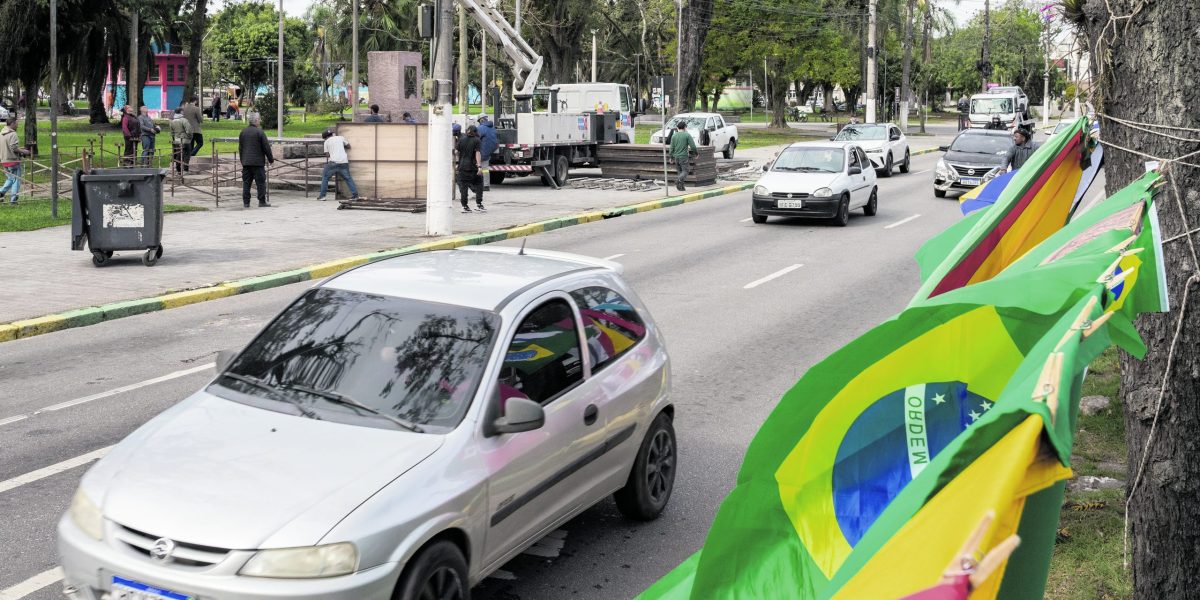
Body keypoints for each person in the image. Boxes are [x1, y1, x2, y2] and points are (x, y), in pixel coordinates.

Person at [237, 114, 275, 208]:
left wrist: (243, 160)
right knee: (260, 183)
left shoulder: (243, 132)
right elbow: (266, 147)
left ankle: (246, 202)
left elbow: (240, 148)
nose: (260, 121)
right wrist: (271, 160)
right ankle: (262, 201)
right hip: (258, 163)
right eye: (259, 119)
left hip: (246, 163)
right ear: (256, 120)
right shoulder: (260, 132)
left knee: (246, 183)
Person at [316, 128, 360, 201]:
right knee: (348, 178)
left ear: (325, 137)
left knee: (325, 177)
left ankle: (322, 196)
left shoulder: (326, 142)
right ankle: (355, 195)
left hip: (333, 162)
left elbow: (327, 155)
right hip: (344, 162)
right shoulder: (340, 138)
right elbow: (349, 146)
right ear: (332, 134)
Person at [0, 115, 31, 205]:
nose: (17, 125)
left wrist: (19, 148)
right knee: (16, 180)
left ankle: (1, 192)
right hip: (13, 161)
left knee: (10, 179)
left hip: (4, 160)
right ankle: (13, 200)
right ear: (12, 124)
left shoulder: (1, 134)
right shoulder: (13, 134)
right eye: (16, 124)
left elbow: (7, 147)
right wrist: (25, 151)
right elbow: (14, 148)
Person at [454, 124, 484, 212]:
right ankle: (479, 204)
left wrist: (458, 162)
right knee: (479, 184)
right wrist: (479, 166)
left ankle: (465, 206)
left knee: (463, 187)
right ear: (475, 132)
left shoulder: (461, 139)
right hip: (473, 167)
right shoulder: (477, 140)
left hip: (462, 167)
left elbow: (456, 152)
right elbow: (477, 153)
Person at [668, 120, 697, 191]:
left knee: (680, 172)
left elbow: (671, 148)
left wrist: (671, 157)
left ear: (677, 127)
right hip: (683, 156)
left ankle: (681, 187)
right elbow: (693, 146)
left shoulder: (674, 136)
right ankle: (678, 180)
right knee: (686, 171)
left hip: (676, 157)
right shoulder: (687, 135)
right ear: (685, 127)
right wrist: (696, 153)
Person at [169, 108, 194, 174]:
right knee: (186, 155)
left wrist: (174, 139)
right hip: (185, 141)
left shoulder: (172, 121)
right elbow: (189, 131)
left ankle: (178, 170)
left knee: (178, 155)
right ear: (181, 112)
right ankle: (185, 170)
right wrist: (190, 137)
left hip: (177, 140)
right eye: (183, 111)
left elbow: (172, 132)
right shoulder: (184, 120)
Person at [476, 115, 498, 191]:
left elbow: (475, 138)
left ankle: (480, 185)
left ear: (481, 120)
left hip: (482, 151)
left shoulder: (481, 128)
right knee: (485, 169)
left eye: (479, 121)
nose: (479, 123)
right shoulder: (492, 127)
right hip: (489, 150)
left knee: (479, 167)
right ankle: (486, 185)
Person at [182, 97, 205, 168]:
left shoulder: (184, 108)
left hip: (186, 129)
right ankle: (192, 154)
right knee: (200, 143)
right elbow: (200, 120)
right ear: (195, 101)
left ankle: (187, 164)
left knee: (190, 145)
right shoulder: (196, 108)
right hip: (195, 130)